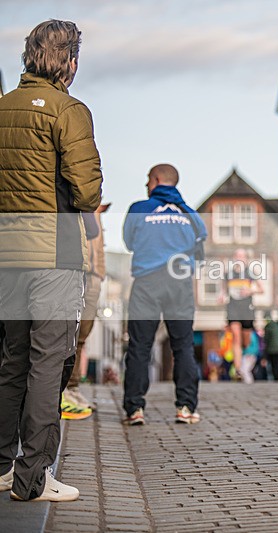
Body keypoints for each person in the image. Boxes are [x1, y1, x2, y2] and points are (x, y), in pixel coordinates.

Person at [0, 20, 102, 502]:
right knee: (49, 363)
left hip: (7, 255)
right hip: (56, 254)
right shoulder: (69, 110)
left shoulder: (2, 109)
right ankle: (33, 478)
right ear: (70, 62)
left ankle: (2, 467)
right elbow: (87, 191)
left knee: (12, 360)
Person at [122, 164, 206, 426]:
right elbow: (200, 245)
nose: (146, 186)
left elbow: (129, 242)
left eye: (148, 180)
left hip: (147, 283)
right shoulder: (190, 214)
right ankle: (185, 408)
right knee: (183, 347)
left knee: (140, 347)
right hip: (179, 283)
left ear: (157, 180)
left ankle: (135, 409)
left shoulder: (138, 209)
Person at [63, 203, 111, 417]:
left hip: (93, 277)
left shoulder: (96, 212)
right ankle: (64, 389)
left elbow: (99, 247)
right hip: (76, 272)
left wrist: (100, 273)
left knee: (82, 336)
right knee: (67, 335)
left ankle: (72, 388)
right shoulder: (76, 204)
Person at [220, 248, 263, 383]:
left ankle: (243, 358)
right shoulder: (228, 274)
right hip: (233, 307)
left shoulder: (250, 273)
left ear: (246, 259)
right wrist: (221, 296)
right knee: (236, 338)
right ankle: (238, 370)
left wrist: (250, 290)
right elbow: (223, 290)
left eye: (242, 256)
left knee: (246, 341)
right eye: (237, 256)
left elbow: (261, 289)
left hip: (247, 309)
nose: (239, 258)